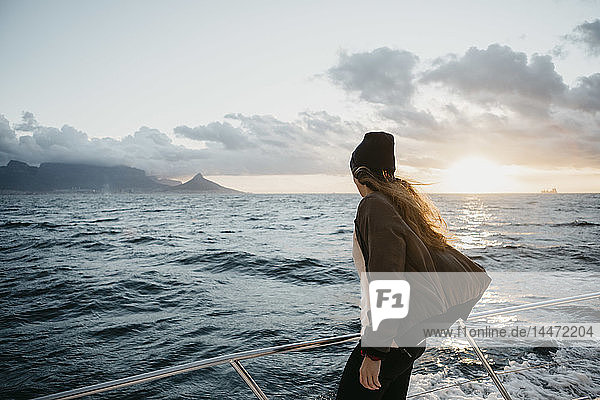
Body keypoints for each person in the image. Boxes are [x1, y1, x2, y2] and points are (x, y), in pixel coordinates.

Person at [335, 132, 490, 400]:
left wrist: (374, 352)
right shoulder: (399, 205)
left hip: (390, 341)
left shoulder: (373, 205)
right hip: (409, 337)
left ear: (358, 174)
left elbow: (388, 279)